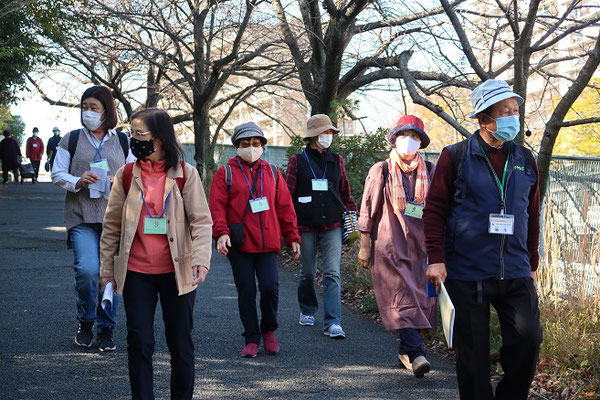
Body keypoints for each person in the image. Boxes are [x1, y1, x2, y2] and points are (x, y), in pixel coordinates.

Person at [423, 79, 542, 399]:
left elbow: (532, 214)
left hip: (516, 269)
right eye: (505, 112)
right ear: (484, 118)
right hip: (467, 271)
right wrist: (436, 258)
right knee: (472, 355)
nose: (512, 118)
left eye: (515, 111)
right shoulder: (456, 156)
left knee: (528, 339)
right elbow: (433, 210)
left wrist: (533, 262)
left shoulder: (525, 159)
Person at [100, 108, 212, 400]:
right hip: (137, 272)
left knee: (180, 344)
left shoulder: (185, 175)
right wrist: (106, 271)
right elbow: (111, 226)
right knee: (139, 341)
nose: (134, 140)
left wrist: (201, 259)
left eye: (140, 135)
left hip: (178, 270)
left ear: (160, 138)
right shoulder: (126, 175)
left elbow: (201, 221)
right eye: (132, 134)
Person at [52, 85, 135, 351]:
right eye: (84, 107)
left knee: (110, 275)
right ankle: (86, 321)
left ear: (107, 111)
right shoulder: (71, 139)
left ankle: (107, 326)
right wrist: (78, 180)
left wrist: (118, 179)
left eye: (93, 107)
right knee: (87, 271)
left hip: (114, 219)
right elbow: (57, 173)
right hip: (81, 217)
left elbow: (135, 176)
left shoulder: (123, 141)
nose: (87, 112)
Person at [209, 122, 301, 358]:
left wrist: (292, 236)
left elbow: (285, 207)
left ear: (262, 145)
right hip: (239, 243)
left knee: (270, 287)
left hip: (267, 242)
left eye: (255, 143)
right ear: (237, 146)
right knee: (246, 290)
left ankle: (269, 330)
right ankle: (251, 337)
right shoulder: (225, 173)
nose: (251, 147)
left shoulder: (272, 172)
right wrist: (221, 233)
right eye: (245, 144)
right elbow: (217, 207)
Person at [357, 115, 437, 378]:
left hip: (420, 247)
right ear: (394, 138)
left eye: (415, 137)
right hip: (389, 246)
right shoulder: (381, 169)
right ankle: (416, 353)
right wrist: (364, 245)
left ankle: (407, 350)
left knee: (419, 298)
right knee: (402, 296)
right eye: (405, 136)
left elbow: (438, 211)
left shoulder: (431, 170)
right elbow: (368, 209)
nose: (409, 142)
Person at [284, 114, 356, 339]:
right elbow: (287, 193)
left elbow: (345, 191)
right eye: (324, 132)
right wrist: (289, 226)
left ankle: (333, 322)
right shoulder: (299, 160)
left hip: (332, 223)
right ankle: (307, 309)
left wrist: (354, 216)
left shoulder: (338, 160)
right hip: (305, 224)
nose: (328, 137)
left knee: (332, 272)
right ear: (313, 135)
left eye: (330, 133)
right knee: (307, 272)